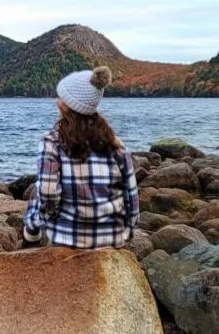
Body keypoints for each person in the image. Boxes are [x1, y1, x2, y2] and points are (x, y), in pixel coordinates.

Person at [23, 66, 139, 249]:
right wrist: (128, 231)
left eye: (61, 98)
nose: (57, 102)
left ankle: (31, 231)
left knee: (38, 188)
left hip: (67, 239)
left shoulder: (52, 142)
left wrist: (44, 218)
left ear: (70, 105)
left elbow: (48, 194)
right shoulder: (116, 144)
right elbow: (131, 195)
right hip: (111, 239)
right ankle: (33, 227)